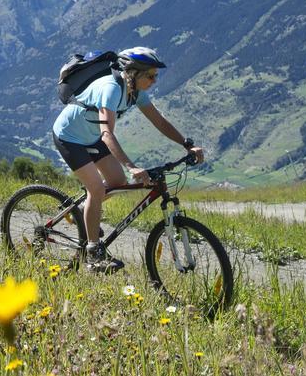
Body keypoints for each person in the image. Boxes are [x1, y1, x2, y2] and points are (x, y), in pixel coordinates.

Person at [52, 47, 204, 272]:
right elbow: (107, 134)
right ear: (132, 74)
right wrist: (132, 167)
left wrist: (187, 144)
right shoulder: (111, 89)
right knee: (95, 187)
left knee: (116, 180)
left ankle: (82, 211)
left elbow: (160, 122)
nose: (154, 80)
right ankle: (93, 255)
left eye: (156, 75)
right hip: (70, 136)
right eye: (150, 75)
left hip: (92, 136)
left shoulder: (136, 92)